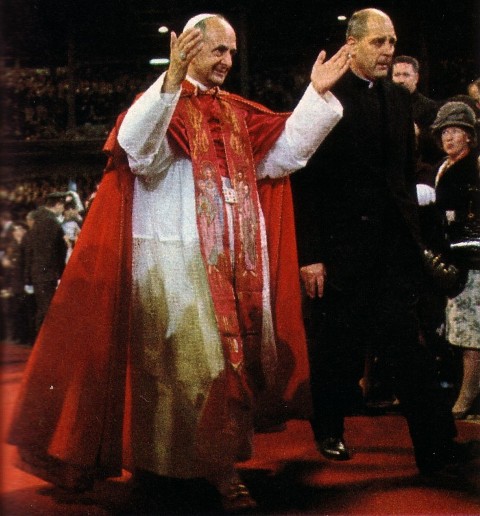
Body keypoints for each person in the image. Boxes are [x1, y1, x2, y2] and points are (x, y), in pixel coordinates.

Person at [8, 13, 349, 512]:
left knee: (219, 371)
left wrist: (314, 97)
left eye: (233, 52)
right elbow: (138, 151)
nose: (228, 62)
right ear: (189, 50)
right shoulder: (159, 106)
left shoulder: (235, 111)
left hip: (230, 262)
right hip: (171, 261)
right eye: (219, 51)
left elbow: (282, 157)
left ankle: (219, 467)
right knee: (172, 372)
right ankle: (163, 467)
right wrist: (168, 84)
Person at [291, 8, 469, 478]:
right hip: (341, 252)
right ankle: (329, 428)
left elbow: (401, 181)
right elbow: (305, 183)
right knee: (337, 348)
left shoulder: (398, 97)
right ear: (352, 45)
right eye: (379, 42)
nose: (389, 50)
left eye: (392, 41)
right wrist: (310, 255)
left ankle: (436, 448)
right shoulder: (325, 99)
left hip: (393, 253)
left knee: (408, 350)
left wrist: (419, 245)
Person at [432, 101, 480, 420]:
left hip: (473, 259)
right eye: (444, 132)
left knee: (470, 332)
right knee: (453, 328)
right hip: (448, 258)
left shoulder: (475, 166)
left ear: (469, 137)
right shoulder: (442, 168)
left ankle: (469, 393)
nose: (449, 138)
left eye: (455, 132)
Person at [22, 192, 67, 332]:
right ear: (58, 204)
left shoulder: (38, 220)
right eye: (63, 205)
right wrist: (61, 272)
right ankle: (42, 347)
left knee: (43, 310)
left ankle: (39, 346)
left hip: (38, 273)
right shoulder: (51, 222)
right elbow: (59, 249)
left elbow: (29, 249)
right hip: (46, 273)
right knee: (47, 312)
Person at [392, 55, 440, 165]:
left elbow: (436, 145)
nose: (401, 80)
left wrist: (418, 133)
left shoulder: (430, 107)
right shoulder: (383, 104)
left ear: (416, 78)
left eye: (406, 75)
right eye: (397, 75)